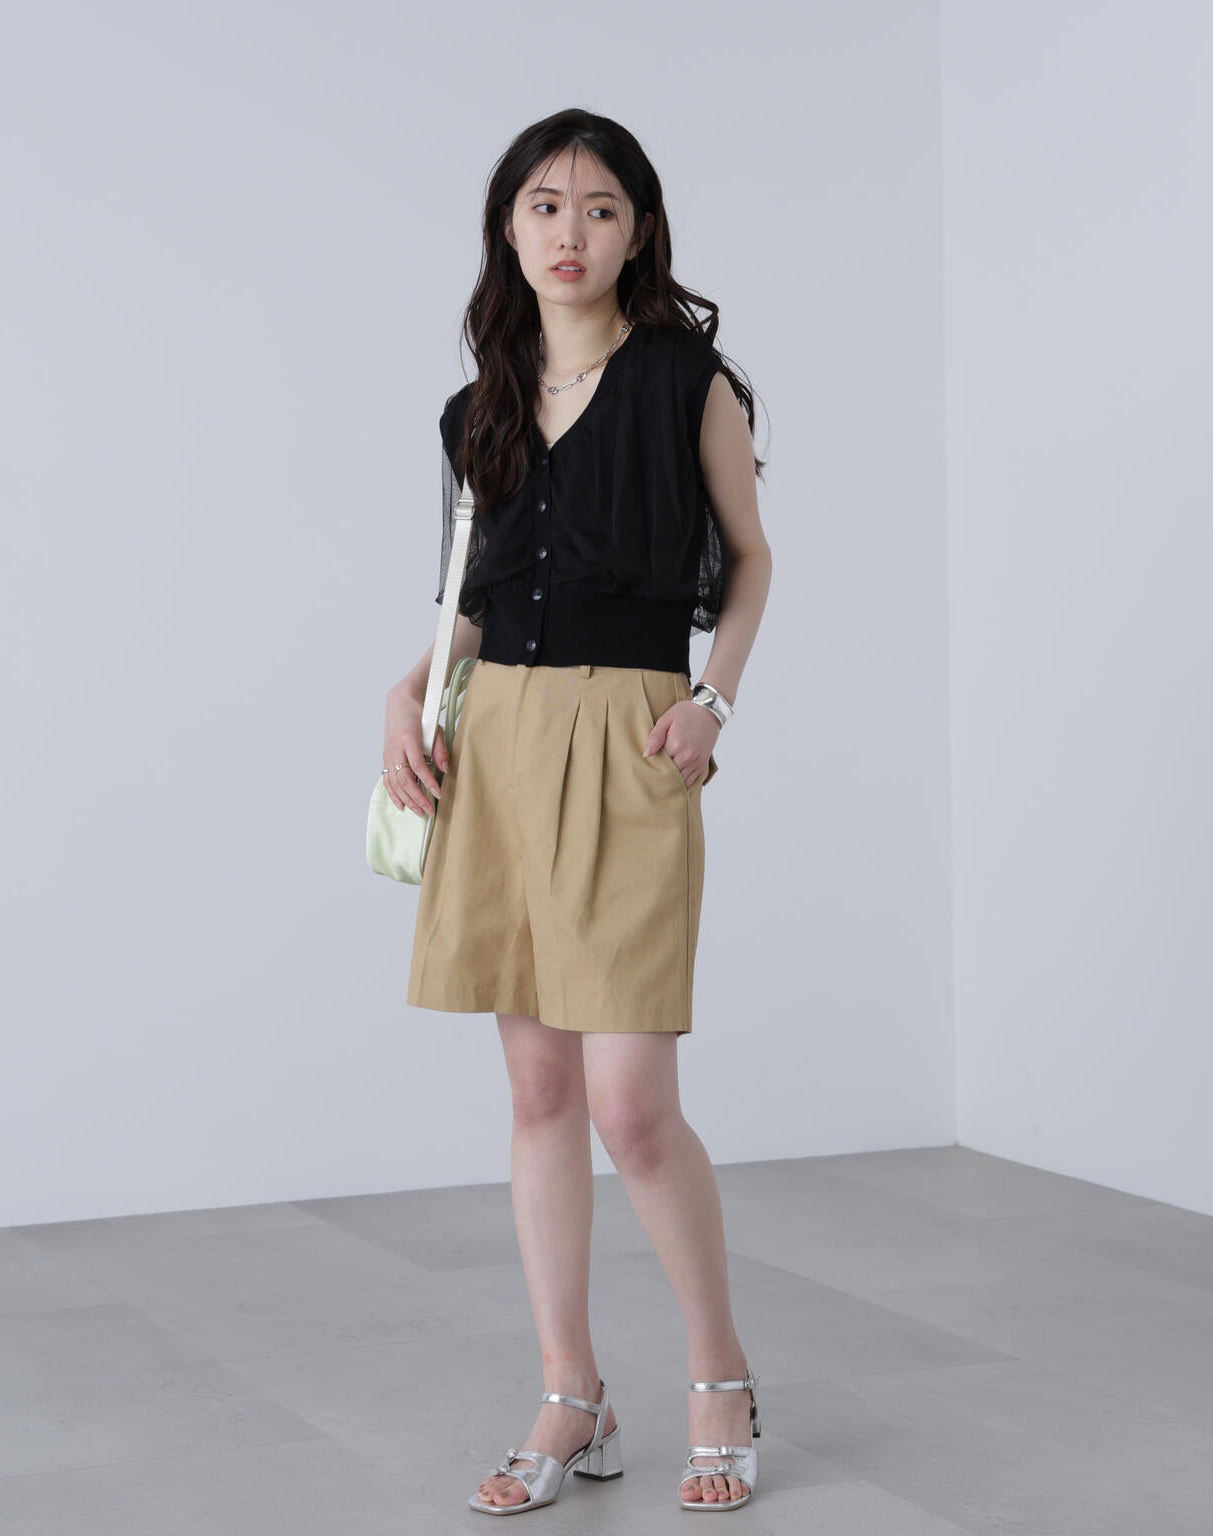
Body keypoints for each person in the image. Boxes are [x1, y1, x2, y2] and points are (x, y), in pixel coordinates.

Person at [380, 108, 772, 1516]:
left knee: (632, 1108)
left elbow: (750, 558)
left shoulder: (685, 381)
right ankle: (571, 1392)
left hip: (630, 734)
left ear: (638, 231)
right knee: (538, 1090)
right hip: (497, 737)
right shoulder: (475, 406)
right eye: (545, 205)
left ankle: (719, 1377)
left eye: (600, 208)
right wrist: (407, 691)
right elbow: (475, 598)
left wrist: (712, 701)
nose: (570, 232)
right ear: (509, 226)